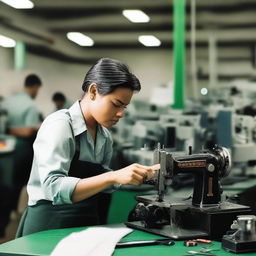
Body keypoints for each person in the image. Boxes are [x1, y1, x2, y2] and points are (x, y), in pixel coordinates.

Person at [16, 58, 159, 237]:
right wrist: (113, 176)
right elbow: (53, 187)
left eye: (124, 107)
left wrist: (135, 176)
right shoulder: (60, 125)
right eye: (116, 104)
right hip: (49, 225)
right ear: (93, 91)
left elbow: (100, 181)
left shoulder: (104, 135)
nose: (121, 113)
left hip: (85, 222)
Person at [2, 74, 42, 207]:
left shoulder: (8, 102)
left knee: (6, 183)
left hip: (4, 149)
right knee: (21, 183)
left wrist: (7, 130)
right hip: (22, 149)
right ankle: (17, 210)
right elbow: (28, 131)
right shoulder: (30, 105)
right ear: (34, 87)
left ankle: (8, 210)